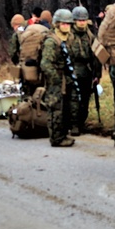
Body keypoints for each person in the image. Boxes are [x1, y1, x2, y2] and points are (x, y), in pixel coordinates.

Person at [40, 10, 77, 147]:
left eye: (69, 24)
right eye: (64, 23)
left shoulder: (68, 38)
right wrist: (55, 78)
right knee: (56, 108)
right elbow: (45, 64)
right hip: (56, 80)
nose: (67, 26)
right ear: (57, 24)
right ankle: (56, 138)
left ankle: (62, 134)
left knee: (65, 108)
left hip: (65, 78)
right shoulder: (52, 41)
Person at [69, 6, 101, 135]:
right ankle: (74, 124)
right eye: (79, 20)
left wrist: (97, 74)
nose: (81, 23)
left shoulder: (90, 35)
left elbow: (96, 56)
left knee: (85, 99)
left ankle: (81, 122)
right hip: (73, 71)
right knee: (74, 99)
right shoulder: (69, 35)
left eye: (83, 20)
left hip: (86, 72)